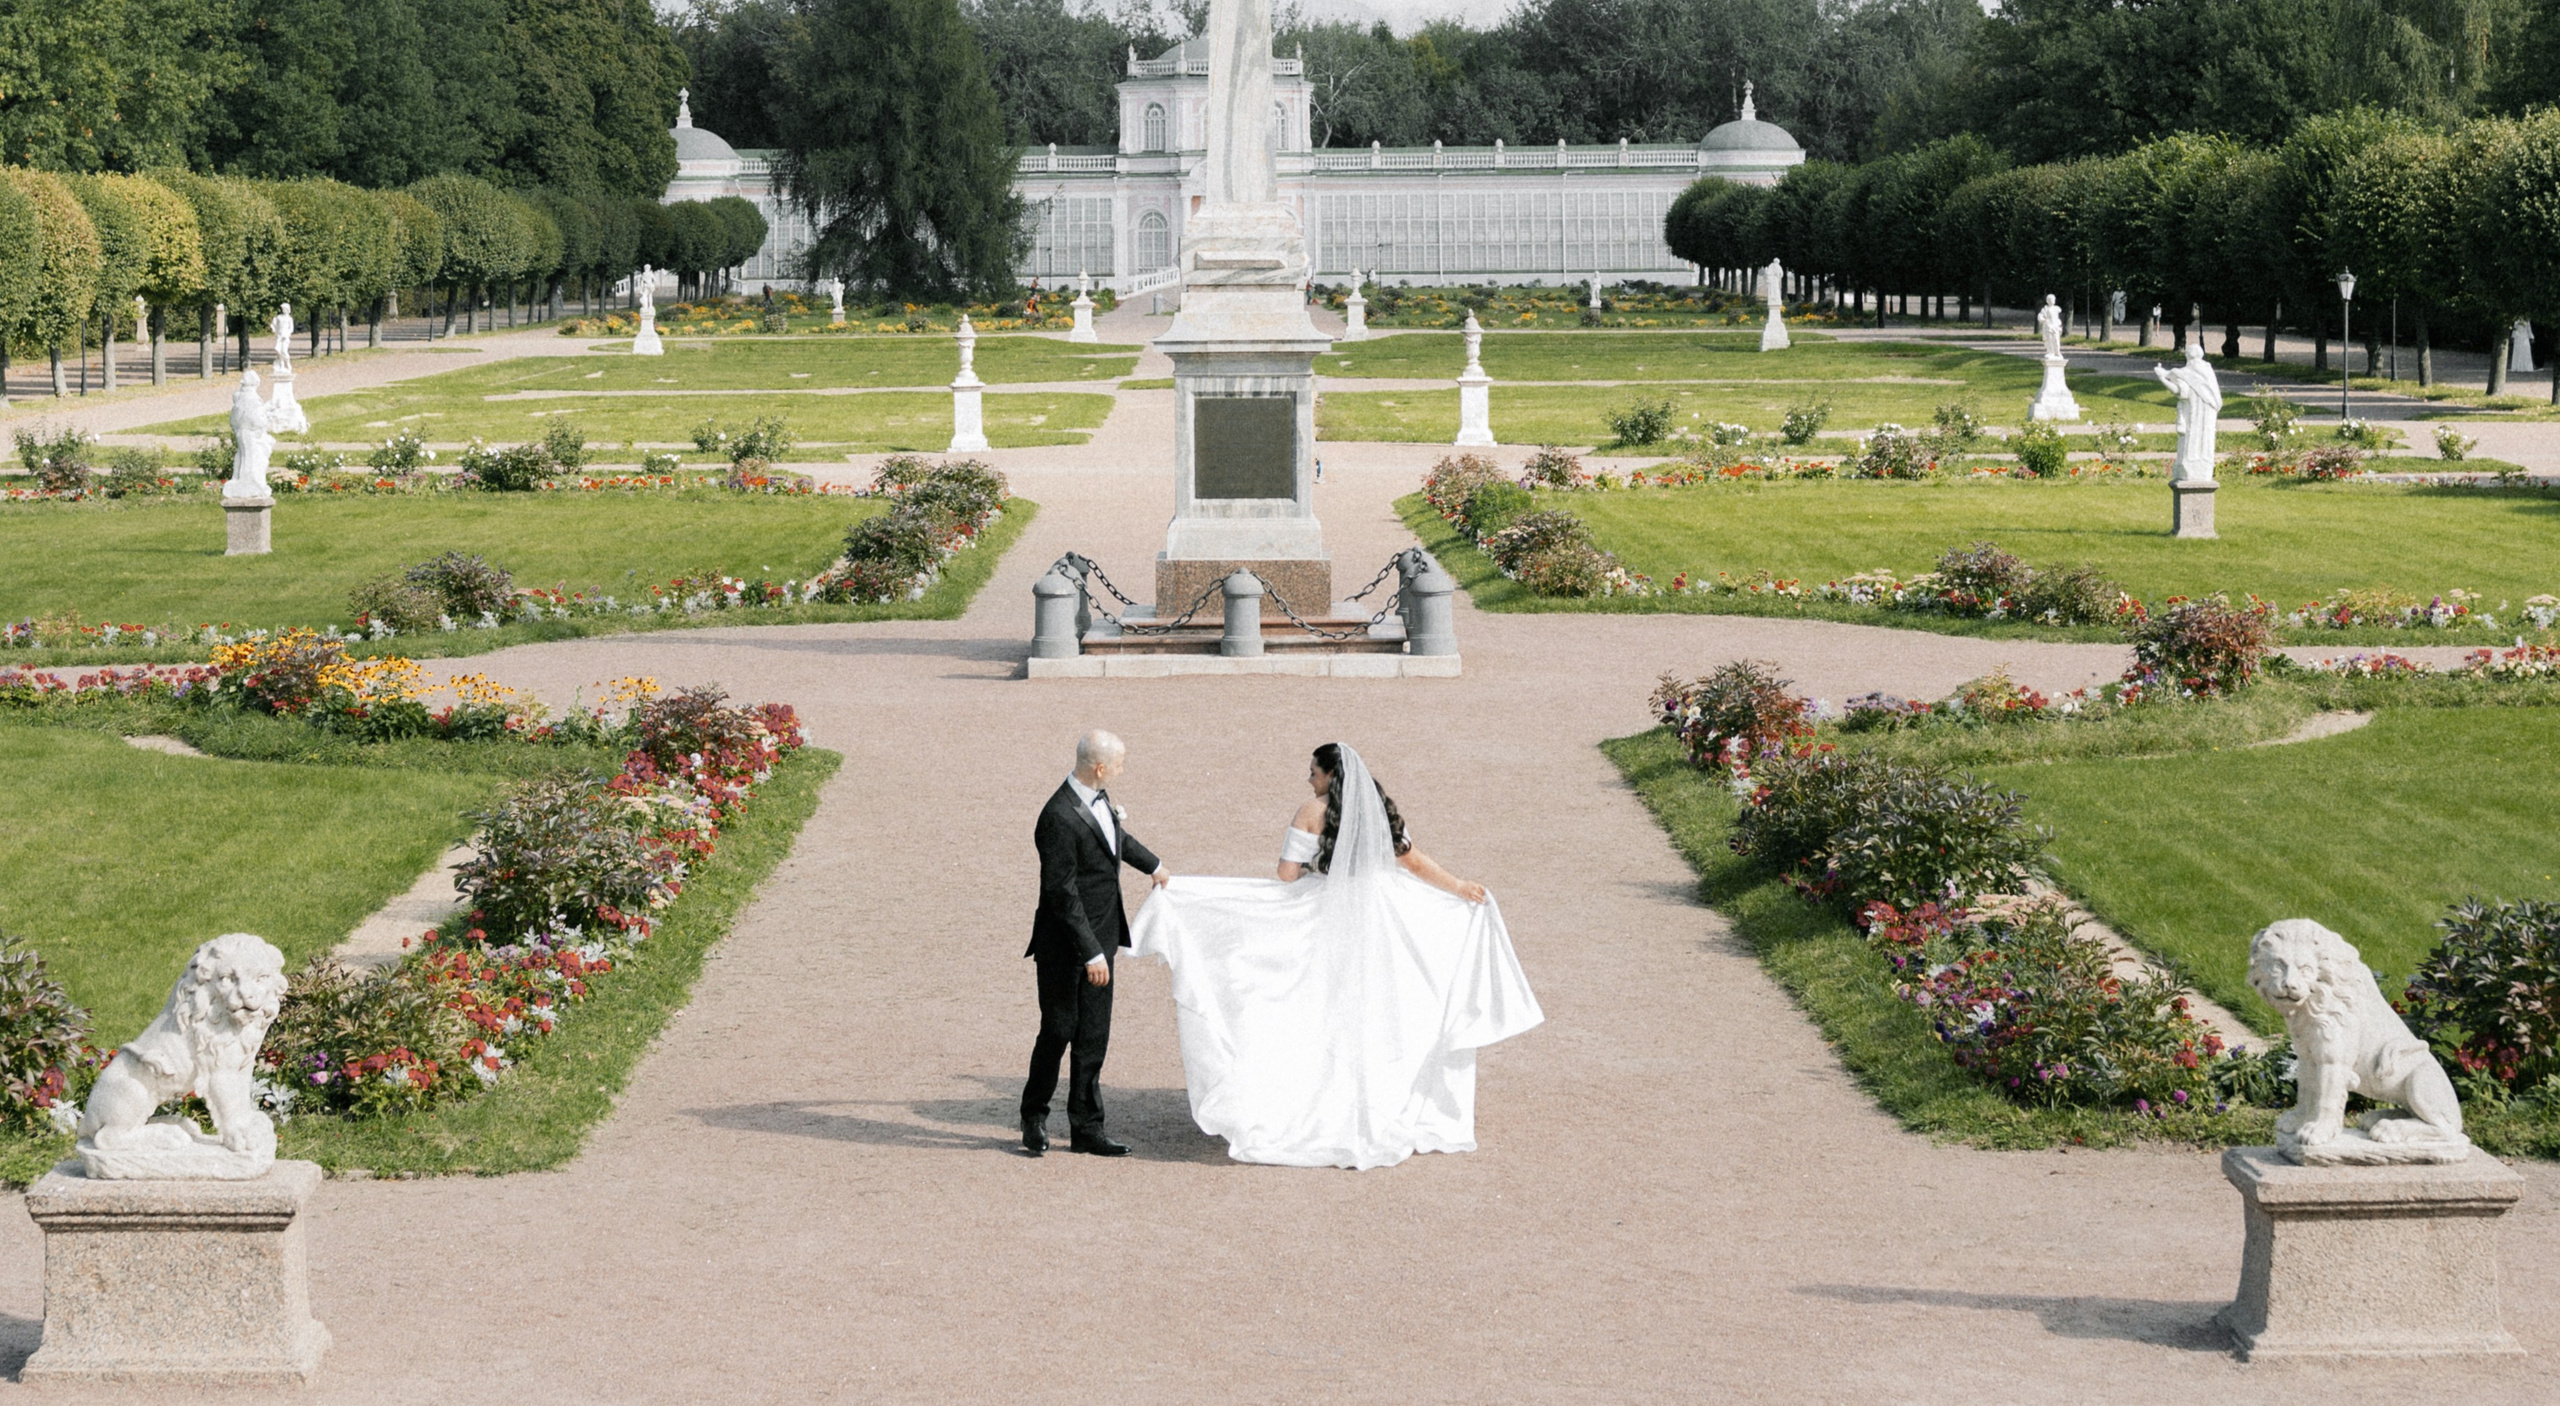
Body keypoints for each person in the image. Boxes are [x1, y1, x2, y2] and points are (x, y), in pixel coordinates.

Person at [1130, 743, 1543, 1170]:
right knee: (1379, 1008)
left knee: (1315, 1004)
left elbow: (1286, 874)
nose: (1309, 779)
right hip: (1381, 916)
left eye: (1313, 772)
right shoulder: (1379, 809)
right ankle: (1381, 1098)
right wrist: (1458, 887)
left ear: (1329, 775)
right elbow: (1412, 861)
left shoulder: (1312, 810)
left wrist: (1317, 870)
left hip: (1327, 914)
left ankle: (1318, 1097)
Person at [1022, 730, 1168, 1157]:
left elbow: (1114, 841)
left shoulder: (1099, 799)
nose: (1122, 771)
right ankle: (1034, 1115)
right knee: (1059, 1030)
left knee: (1094, 1036)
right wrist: (1090, 952)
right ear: (1100, 768)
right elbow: (1061, 893)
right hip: (1066, 946)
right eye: (1119, 764)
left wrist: (1155, 866)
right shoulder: (1058, 817)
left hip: (1100, 938)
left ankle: (1087, 1127)